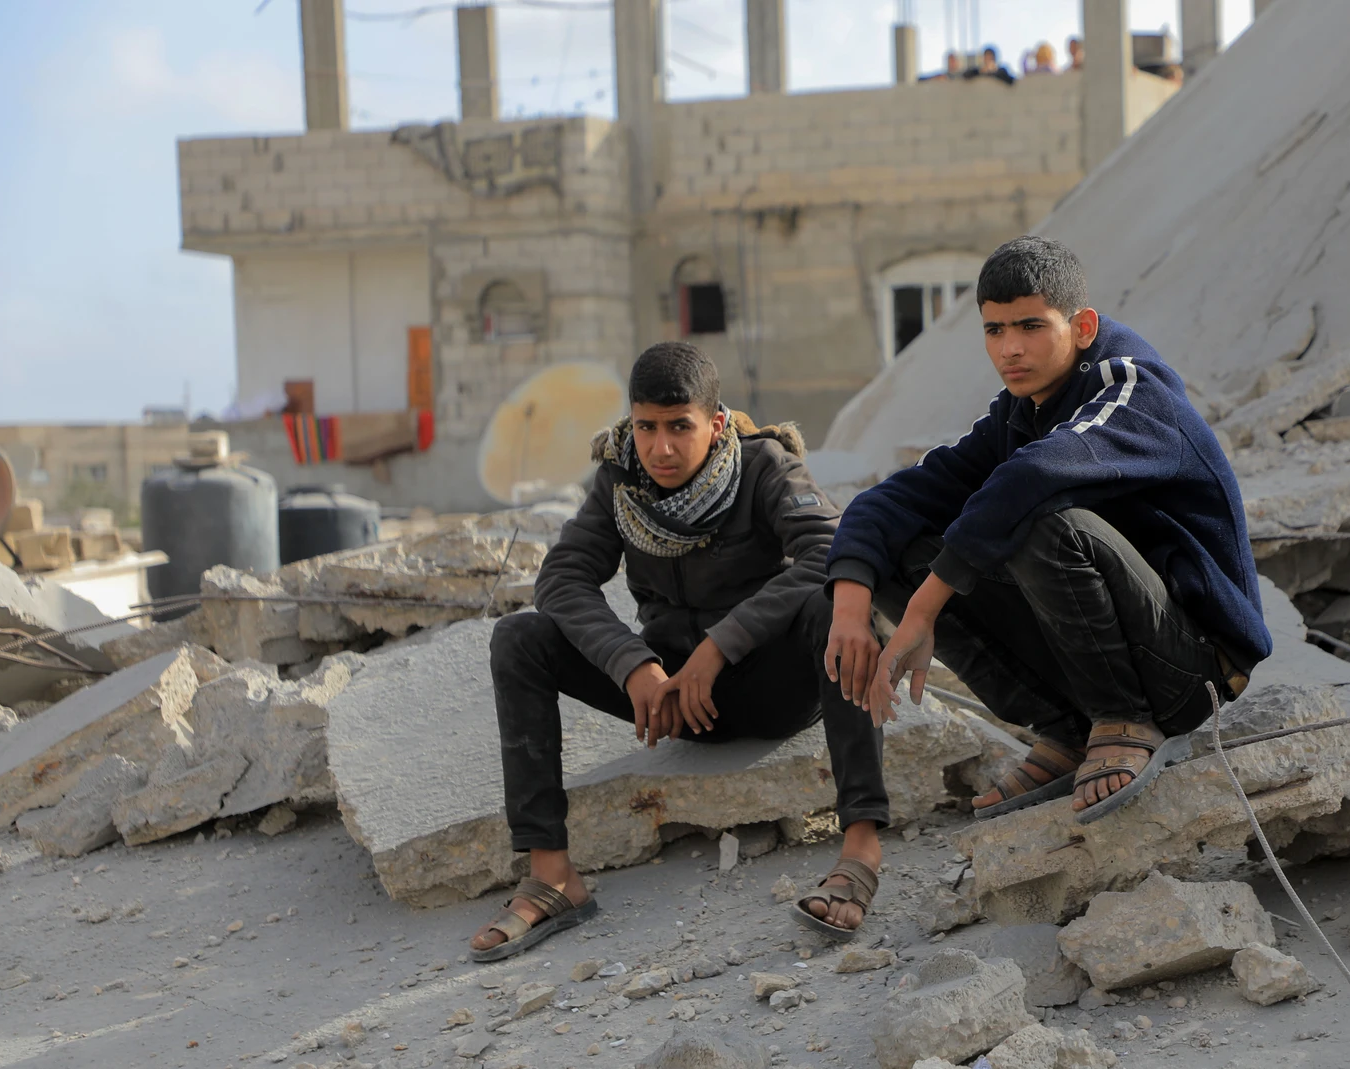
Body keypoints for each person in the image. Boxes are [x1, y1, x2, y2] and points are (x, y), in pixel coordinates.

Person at [821, 237, 1273, 827]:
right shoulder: (1021, 410)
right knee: (902, 547)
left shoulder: (1134, 387)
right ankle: (1069, 729)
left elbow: (1033, 476)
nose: (1010, 348)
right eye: (995, 330)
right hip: (1118, 654)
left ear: (1082, 327)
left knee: (1044, 520)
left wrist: (923, 609)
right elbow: (892, 499)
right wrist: (850, 611)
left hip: (1195, 670)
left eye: (1031, 326)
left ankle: (1123, 718)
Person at [470, 342, 889, 962]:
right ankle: (553, 875)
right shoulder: (620, 480)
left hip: (773, 687)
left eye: (679, 427)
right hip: (671, 698)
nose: (660, 448)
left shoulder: (764, 465)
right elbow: (561, 580)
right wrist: (631, 664)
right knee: (519, 638)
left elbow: (828, 552)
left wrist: (721, 645)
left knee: (841, 609)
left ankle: (860, 847)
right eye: (646, 427)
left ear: (715, 424)